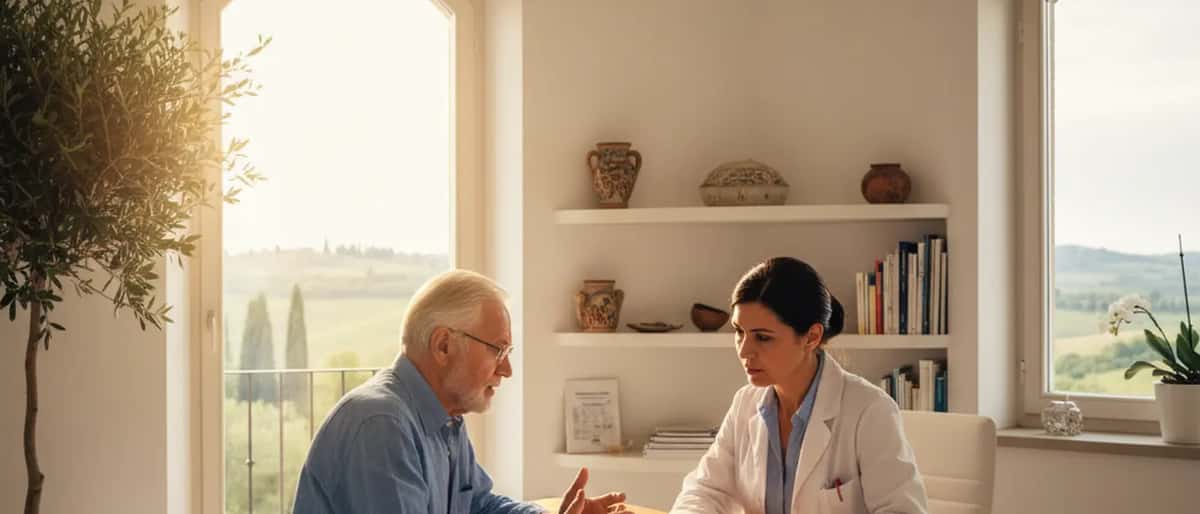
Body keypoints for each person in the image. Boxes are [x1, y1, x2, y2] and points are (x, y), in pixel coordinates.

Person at [294, 269, 632, 514]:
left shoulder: (445, 417)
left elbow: (477, 505)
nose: (507, 369)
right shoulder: (382, 426)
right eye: (497, 351)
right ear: (443, 346)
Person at [670, 257, 928, 514]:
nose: (744, 350)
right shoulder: (745, 403)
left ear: (812, 337)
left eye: (762, 337)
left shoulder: (869, 410)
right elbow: (706, 490)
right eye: (739, 332)